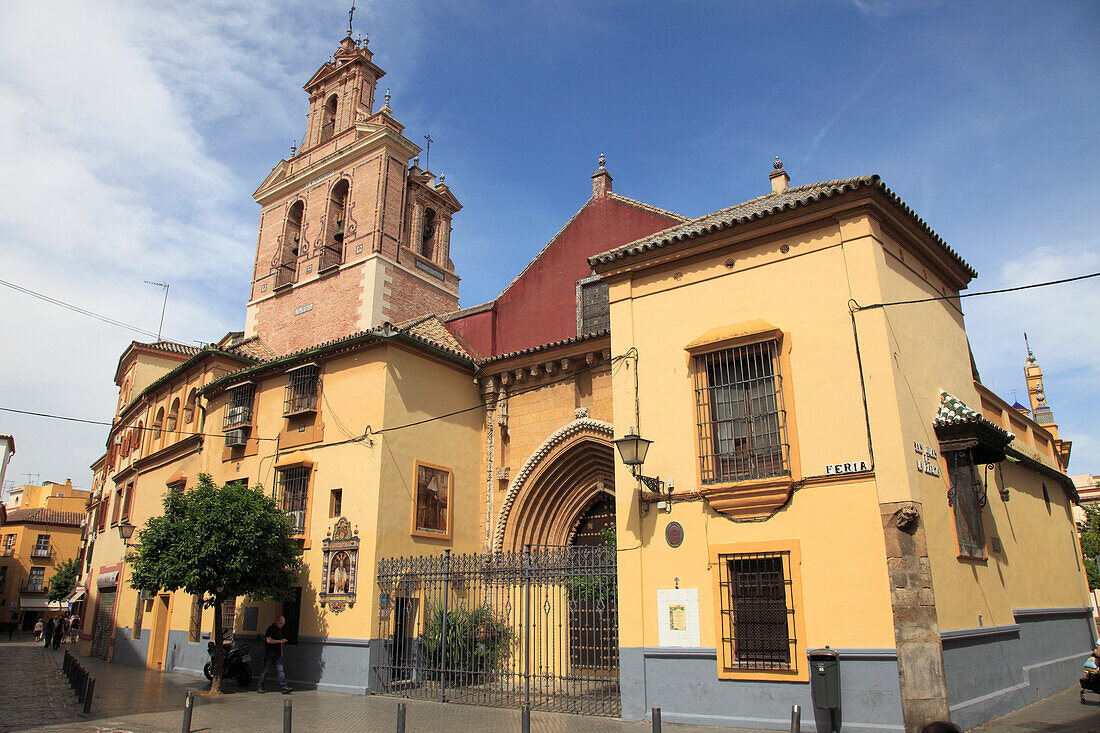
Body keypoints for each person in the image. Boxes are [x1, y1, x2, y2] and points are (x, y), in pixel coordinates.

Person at [257, 616, 292, 694]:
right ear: (277, 621)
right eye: (281, 623)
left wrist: (281, 652)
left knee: (280, 670)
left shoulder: (279, 630)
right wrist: (279, 641)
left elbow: (281, 643)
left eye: (283, 624)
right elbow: (268, 640)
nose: (282, 625)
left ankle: (284, 687)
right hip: (270, 654)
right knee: (265, 671)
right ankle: (260, 686)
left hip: (277, 654)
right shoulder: (270, 629)